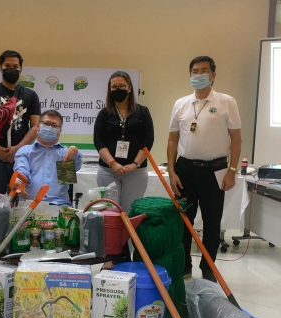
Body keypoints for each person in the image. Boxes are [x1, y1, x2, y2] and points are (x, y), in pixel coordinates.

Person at [168, 56, 241, 283]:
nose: (198, 75)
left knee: (212, 222)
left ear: (213, 75)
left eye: (204, 71)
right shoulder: (180, 104)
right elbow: (172, 140)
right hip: (185, 170)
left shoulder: (226, 102)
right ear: (189, 75)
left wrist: (232, 170)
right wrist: (171, 171)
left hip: (215, 171)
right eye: (194, 71)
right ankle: (185, 266)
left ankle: (208, 268)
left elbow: (236, 139)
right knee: (184, 222)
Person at [93, 71, 155, 268]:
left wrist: (134, 164)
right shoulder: (104, 114)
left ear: (129, 88)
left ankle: (127, 257)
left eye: (122, 86)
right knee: (110, 214)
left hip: (135, 171)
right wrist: (113, 164)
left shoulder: (142, 112)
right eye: (114, 87)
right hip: (108, 170)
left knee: (129, 215)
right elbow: (98, 141)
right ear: (109, 90)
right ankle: (110, 258)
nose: (118, 90)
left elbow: (148, 141)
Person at [0, 50, 41, 194]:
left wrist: (17, 150)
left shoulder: (31, 95)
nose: (11, 69)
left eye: (15, 66)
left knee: (20, 203)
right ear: (0, 67)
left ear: (20, 69)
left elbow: (35, 126)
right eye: (7, 65)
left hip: (21, 159)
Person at [14, 110, 82, 205]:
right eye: (46, 123)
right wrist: (18, 182)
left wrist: (75, 152)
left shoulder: (66, 153)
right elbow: (21, 171)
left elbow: (71, 173)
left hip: (59, 205)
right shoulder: (25, 151)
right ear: (38, 126)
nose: (49, 128)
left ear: (60, 132)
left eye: (54, 126)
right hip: (29, 205)